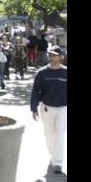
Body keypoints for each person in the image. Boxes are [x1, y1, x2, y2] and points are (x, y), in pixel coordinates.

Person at [31, 46, 67, 174]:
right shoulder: (42, 73)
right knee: (49, 134)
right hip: (47, 108)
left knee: (60, 134)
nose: (51, 57)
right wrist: (33, 108)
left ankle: (58, 163)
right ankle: (53, 154)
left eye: (54, 55)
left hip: (63, 108)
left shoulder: (65, 72)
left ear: (61, 57)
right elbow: (35, 91)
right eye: (50, 55)